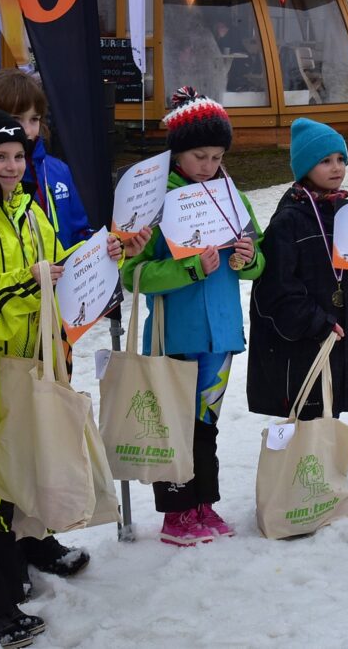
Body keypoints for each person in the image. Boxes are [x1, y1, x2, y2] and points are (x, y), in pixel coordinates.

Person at [0, 96, 127, 647]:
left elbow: (58, 273)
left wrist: (99, 258)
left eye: (18, 154)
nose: (11, 166)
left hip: (23, 375)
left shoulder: (31, 210)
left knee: (9, 489)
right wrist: (31, 281)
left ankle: (7, 589)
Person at [121, 86, 264, 545]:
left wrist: (246, 259)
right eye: (199, 155)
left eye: (217, 156)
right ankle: (175, 513)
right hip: (175, 333)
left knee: (207, 424)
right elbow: (134, 274)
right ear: (177, 153)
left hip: (221, 334)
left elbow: (258, 256)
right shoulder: (155, 200)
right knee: (176, 424)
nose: (209, 166)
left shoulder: (228, 192)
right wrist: (187, 267)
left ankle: (204, 502)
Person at [247, 118, 348, 420]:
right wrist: (317, 322)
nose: (337, 168)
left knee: (330, 423)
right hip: (307, 344)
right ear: (305, 167)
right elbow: (276, 290)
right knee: (307, 429)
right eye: (325, 161)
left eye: (341, 159)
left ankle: (325, 470)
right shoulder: (288, 221)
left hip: (344, 341)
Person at [0, 68, 93, 249]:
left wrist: (109, 247)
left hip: (62, 275)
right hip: (19, 277)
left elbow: (80, 233)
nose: (27, 130)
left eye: (34, 119)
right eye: (15, 119)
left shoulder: (58, 171)